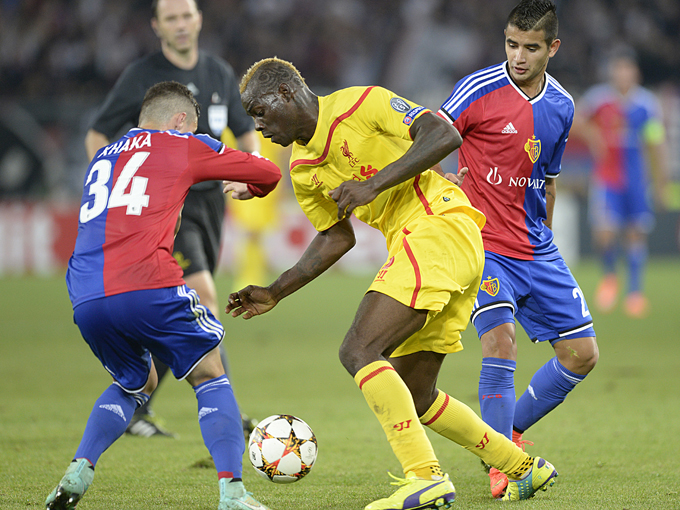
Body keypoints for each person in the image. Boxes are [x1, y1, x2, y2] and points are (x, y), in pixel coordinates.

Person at [226, 57, 558, 510]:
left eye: (260, 111)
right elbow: (335, 236)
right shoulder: (302, 170)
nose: (258, 126)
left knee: (358, 350)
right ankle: (521, 466)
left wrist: (374, 184)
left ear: (285, 92)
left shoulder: (362, 102)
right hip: (429, 245)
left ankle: (424, 477)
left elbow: (443, 134)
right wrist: (275, 291)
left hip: (438, 224)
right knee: (416, 393)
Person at [45, 81, 280, 510]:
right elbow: (268, 172)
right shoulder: (183, 143)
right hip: (145, 281)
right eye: (192, 127)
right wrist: (252, 188)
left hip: (85, 292)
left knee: (136, 381)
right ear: (179, 120)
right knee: (209, 372)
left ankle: (78, 470)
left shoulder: (104, 156)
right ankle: (232, 492)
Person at [436, 0, 599, 499]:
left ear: (553, 48)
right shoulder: (478, 89)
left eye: (530, 47)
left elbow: (548, 179)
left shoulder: (562, 105)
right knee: (500, 342)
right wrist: (439, 178)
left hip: (536, 248)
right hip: (482, 244)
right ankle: (502, 462)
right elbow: (428, 135)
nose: (518, 56)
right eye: (511, 45)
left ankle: (505, 432)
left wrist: (545, 233)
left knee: (582, 354)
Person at [84, 0, 260, 437]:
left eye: (186, 16)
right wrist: (110, 188)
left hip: (210, 205)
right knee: (203, 296)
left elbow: (245, 132)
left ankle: (133, 405)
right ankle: (228, 411)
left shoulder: (219, 72)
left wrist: (248, 172)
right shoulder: (142, 77)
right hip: (164, 208)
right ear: (156, 26)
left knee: (177, 305)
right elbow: (97, 133)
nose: (180, 25)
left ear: (198, 20)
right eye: (171, 18)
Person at [575, 50, 667, 318]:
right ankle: (610, 279)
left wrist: (660, 182)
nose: (623, 75)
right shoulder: (598, 99)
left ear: (635, 73)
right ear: (612, 73)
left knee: (636, 233)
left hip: (636, 179)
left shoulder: (646, 104)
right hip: (607, 178)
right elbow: (576, 122)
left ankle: (635, 293)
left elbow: (656, 141)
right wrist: (594, 137)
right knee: (604, 233)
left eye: (627, 69)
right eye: (618, 69)